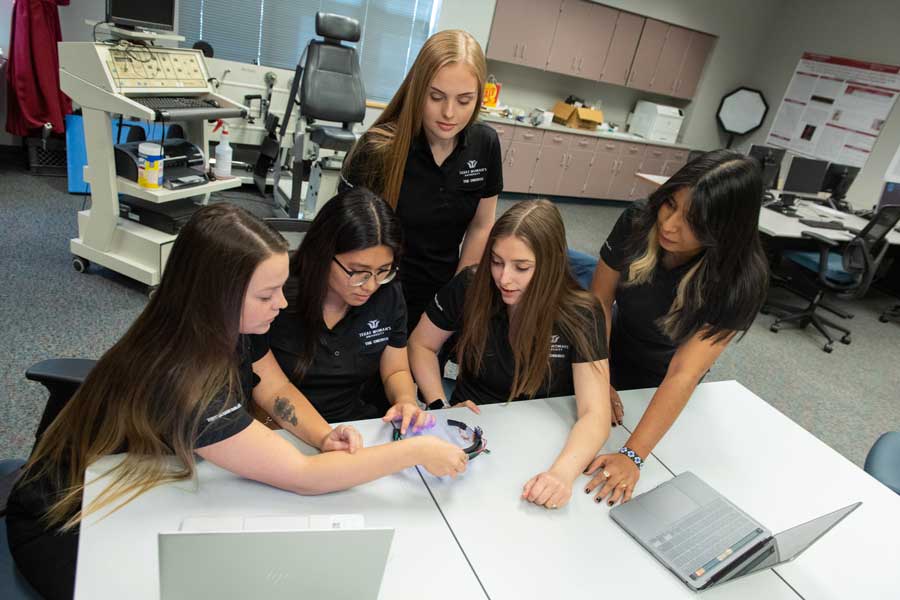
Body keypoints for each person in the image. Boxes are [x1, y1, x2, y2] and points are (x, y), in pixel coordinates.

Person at [6, 204, 467, 599]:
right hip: (66, 525)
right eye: (267, 295)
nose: (281, 305)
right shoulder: (188, 379)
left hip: (128, 485)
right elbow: (303, 477)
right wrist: (414, 450)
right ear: (219, 294)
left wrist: (323, 434)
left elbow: (277, 390)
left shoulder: (220, 326)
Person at [584, 150, 768, 506]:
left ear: (725, 229)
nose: (669, 225)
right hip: (611, 343)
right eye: (670, 205)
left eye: (694, 221)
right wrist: (599, 375)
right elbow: (600, 301)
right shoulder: (639, 220)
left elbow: (685, 372)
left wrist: (633, 455)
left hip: (666, 371)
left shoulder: (741, 279)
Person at [408, 200, 611, 510]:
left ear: (551, 263)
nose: (504, 278)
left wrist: (561, 474)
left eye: (521, 267)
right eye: (497, 261)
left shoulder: (581, 313)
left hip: (547, 440)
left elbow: (595, 413)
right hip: (473, 429)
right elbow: (422, 345)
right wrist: (441, 407)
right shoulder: (470, 285)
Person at [340, 29, 502, 331]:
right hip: (377, 292)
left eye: (465, 100)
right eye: (436, 97)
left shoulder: (486, 144)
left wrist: (458, 294)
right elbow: (344, 236)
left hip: (440, 295)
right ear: (417, 90)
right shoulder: (379, 149)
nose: (449, 113)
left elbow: (482, 224)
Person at [267, 187, 430, 435]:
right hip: (279, 426)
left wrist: (405, 400)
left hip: (353, 426)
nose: (372, 285)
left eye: (383, 270)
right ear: (324, 253)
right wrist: (323, 437)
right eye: (358, 272)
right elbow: (267, 387)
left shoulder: (388, 294)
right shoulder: (276, 293)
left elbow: (395, 369)